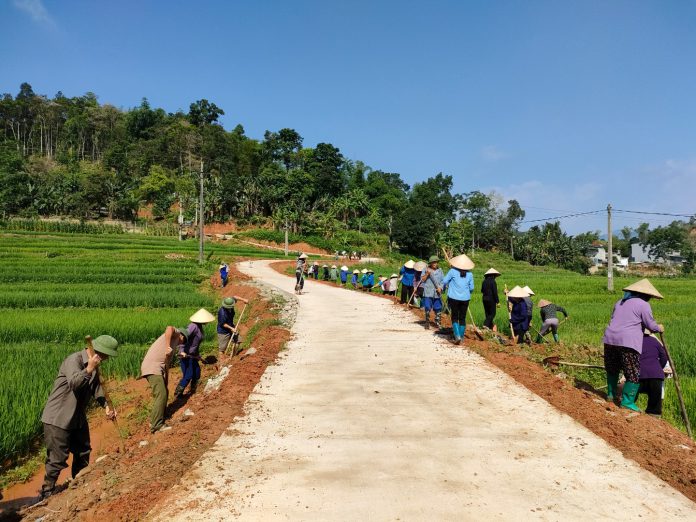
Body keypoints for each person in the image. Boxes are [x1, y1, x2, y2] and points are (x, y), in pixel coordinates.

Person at [39, 335, 119, 499]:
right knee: (58, 458)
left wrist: (106, 406)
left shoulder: (95, 365)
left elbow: (97, 388)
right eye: (105, 355)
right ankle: (47, 492)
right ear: (98, 351)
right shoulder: (74, 360)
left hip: (77, 417)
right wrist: (89, 368)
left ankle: (79, 481)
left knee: (83, 450)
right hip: (58, 417)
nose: (105, 359)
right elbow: (74, 383)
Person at [603, 278, 664, 411]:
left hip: (609, 339)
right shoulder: (643, 305)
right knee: (633, 371)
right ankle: (627, 402)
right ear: (647, 295)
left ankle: (610, 395)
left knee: (612, 368)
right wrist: (659, 327)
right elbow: (651, 325)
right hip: (627, 341)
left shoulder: (619, 302)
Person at [141, 327, 188, 433]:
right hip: (152, 367)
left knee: (164, 392)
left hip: (157, 369)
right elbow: (169, 328)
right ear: (182, 336)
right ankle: (157, 425)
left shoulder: (174, 344)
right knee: (161, 394)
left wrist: (166, 379)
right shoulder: (176, 335)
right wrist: (167, 346)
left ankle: (156, 419)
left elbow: (166, 365)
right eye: (184, 341)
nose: (182, 343)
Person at [175, 308, 215, 398]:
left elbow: (195, 344)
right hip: (186, 355)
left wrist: (198, 356)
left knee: (197, 373)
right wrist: (181, 351)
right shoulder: (193, 326)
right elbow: (182, 338)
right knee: (188, 375)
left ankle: (193, 391)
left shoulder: (199, 327)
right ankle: (178, 394)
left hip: (192, 356)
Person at [442, 254, 475, 344]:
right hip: (465, 299)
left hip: (454, 298)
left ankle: (457, 336)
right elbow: (471, 288)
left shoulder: (452, 271)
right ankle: (461, 337)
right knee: (462, 318)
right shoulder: (470, 274)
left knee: (455, 317)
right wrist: (466, 292)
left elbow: (444, 281)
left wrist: (447, 284)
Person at [638, 330, 670, 417]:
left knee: (631, 397)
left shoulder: (635, 340)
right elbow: (664, 357)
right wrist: (659, 368)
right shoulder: (655, 342)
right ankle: (654, 417)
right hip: (656, 376)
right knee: (654, 409)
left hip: (639, 375)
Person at [421, 255, 444, 330]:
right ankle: (427, 321)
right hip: (428, 291)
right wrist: (427, 274)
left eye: (436, 262)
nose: (435, 264)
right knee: (427, 307)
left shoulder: (440, 270)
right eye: (433, 262)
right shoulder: (425, 269)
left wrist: (440, 287)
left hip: (437, 292)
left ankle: (438, 322)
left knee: (438, 307)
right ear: (430, 263)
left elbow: (442, 281)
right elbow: (422, 280)